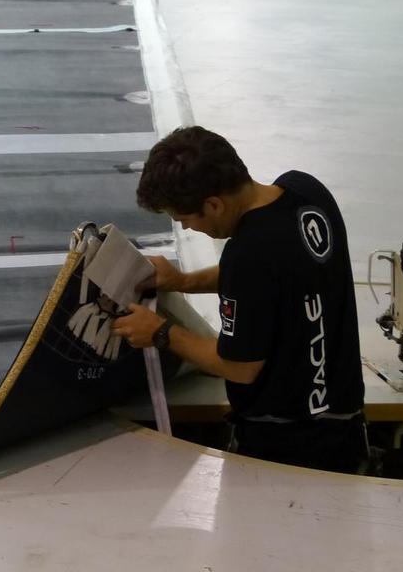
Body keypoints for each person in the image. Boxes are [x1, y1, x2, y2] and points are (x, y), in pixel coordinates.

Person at [112, 126, 367, 473]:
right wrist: (183, 281)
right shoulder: (306, 191)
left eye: (184, 219)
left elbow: (240, 367)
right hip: (344, 424)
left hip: (287, 448)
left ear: (214, 204)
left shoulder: (248, 254)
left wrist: (160, 331)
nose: (187, 229)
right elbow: (271, 278)